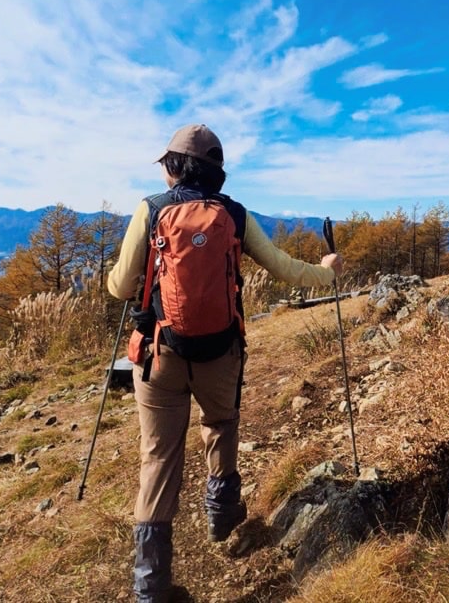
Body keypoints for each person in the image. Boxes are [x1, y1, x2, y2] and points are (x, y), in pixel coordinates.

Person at [107, 124, 343, 602]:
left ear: (173, 167)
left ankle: (151, 585)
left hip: (160, 353)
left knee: (158, 457)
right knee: (221, 422)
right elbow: (282, 268)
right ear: (217, 172)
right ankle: (221, 513)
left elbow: (118, 285)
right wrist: (327, 271)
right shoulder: (234, 214)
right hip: (221, 351)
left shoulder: (150, 211)